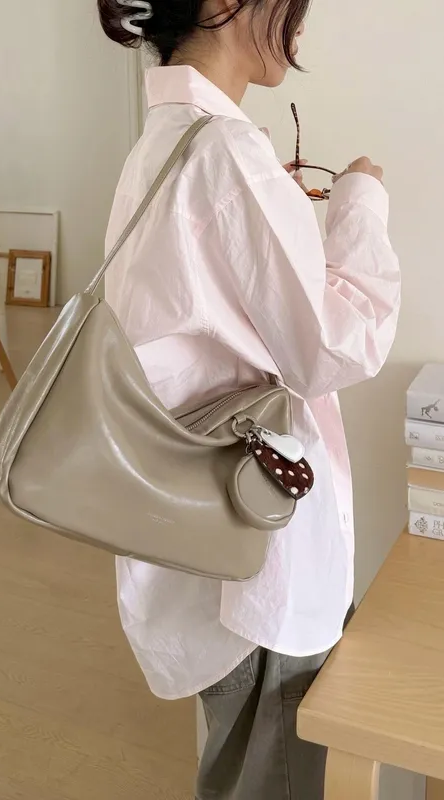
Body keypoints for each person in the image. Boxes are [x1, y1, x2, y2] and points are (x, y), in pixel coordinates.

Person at [97, 1, 401, 798]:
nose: (300, 29)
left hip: (205, 527)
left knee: (244, 766)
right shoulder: (227, 152)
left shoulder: (166, 141)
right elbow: (334, 348)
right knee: (277, 772)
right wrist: (361, 203)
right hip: (257, 542)